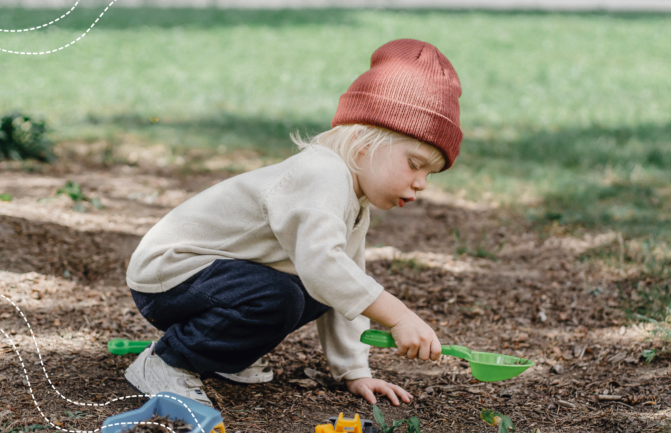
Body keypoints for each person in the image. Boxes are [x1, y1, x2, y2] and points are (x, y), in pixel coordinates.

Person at [124, 38, 463, 408]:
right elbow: (323, 267)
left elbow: (344, 284)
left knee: (319, 291)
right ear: (364, 142)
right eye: (415, 164)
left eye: (431, 174)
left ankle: (221, 356)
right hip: (169, 273)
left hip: (212, 277)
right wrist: (398, 316)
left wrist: (355, 371)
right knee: (282, 296)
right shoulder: (322, 174)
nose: (421, 183)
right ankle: (168, 361)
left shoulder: (354, 199)